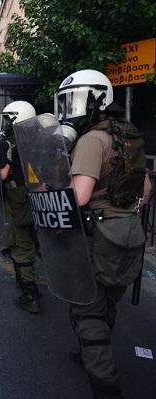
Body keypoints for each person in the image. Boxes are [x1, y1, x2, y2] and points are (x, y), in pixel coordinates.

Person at [56, 69, 151, 399]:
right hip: (130, 232)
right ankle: (90, 351)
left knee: (88, 309)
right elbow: (146, 188)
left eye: (74, 100)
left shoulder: (91, 139)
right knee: (109, 300)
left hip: (98, 233)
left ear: (94, 100)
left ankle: (104, 382)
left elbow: (79, 196)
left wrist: (55, 192)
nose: (69, 108)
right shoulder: (130, 134)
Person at [0, 101, 41, 313]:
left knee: (21, 245)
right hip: (45, 196)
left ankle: (30, 294)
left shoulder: (7, 143)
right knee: (39, 239)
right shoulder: (44, 138)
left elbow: (3, 174)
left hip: (19, 197)